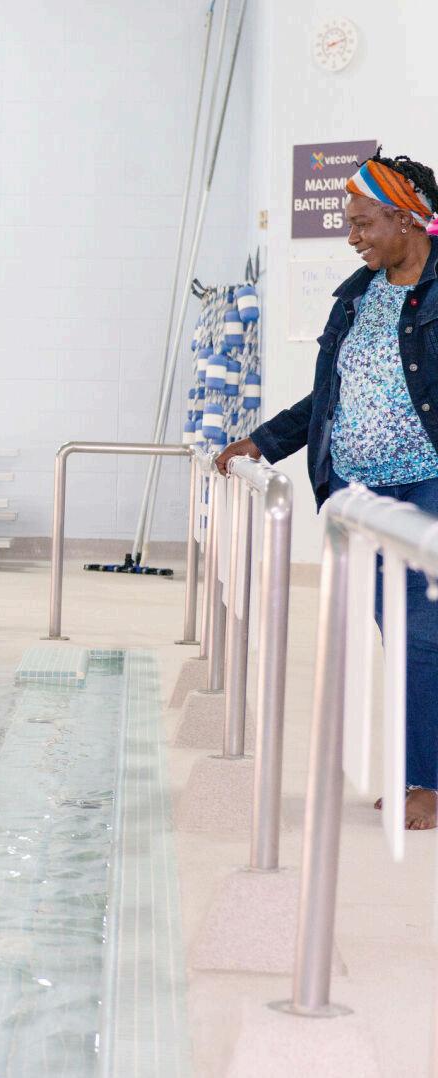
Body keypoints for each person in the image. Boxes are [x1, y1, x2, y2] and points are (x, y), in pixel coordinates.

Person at [219, 150, 438, 829]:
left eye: (363, 223)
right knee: (398, 630)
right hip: (356, 492)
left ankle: (426, 782)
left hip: (427, 487)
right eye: (349, 224)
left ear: (406, 219)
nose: (352, 237)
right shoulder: (356, 298)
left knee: (423, 631)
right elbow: (330, 396)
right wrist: (265, 442)